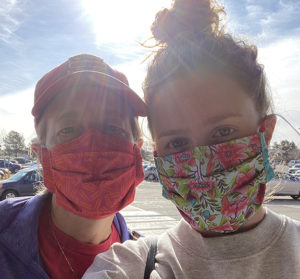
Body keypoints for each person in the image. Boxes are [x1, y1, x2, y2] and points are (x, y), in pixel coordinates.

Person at [83, 1, 300, 278]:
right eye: (177, 143)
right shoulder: (130, 266)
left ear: (265, 133)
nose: (201, 159)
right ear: (158, 155)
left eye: (222, 132)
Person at [0, 53, 146, 278]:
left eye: (112, 128)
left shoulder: (149, 264)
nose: (92, 144)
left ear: (137, 149)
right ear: (42, 155)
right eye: (68, 129)